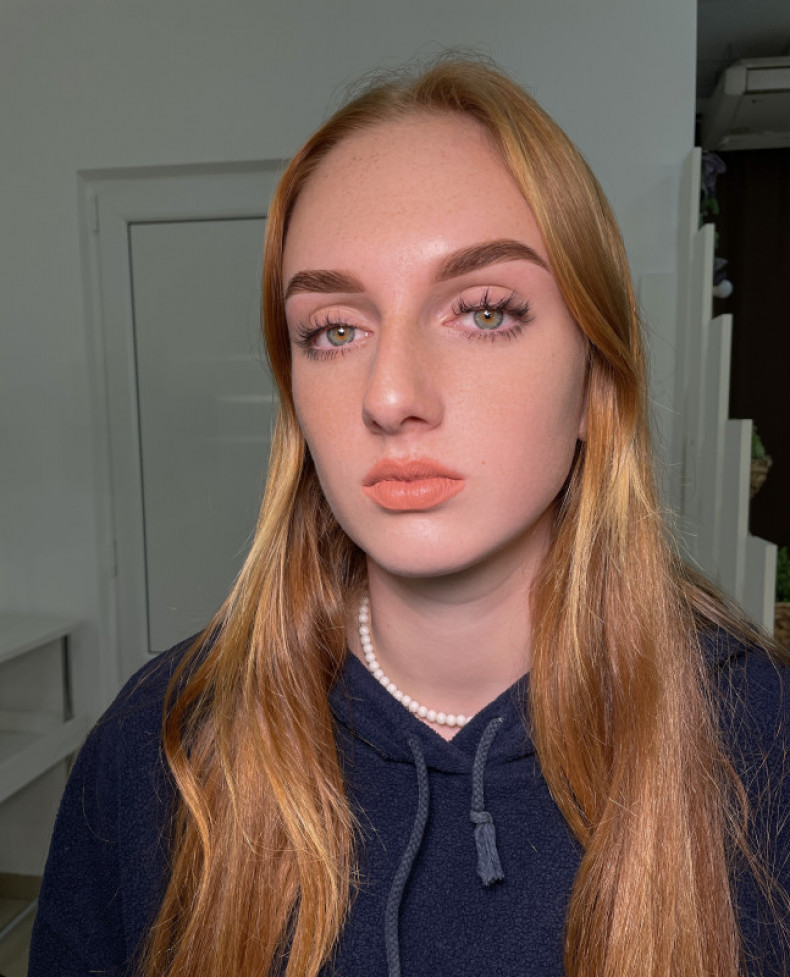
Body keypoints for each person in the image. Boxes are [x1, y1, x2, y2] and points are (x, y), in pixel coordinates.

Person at [29, 58, 789, 977]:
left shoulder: (761, 738)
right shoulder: (160, 746)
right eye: (334, 329)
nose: (389, 396)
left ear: (596, 376)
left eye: (484, 312)